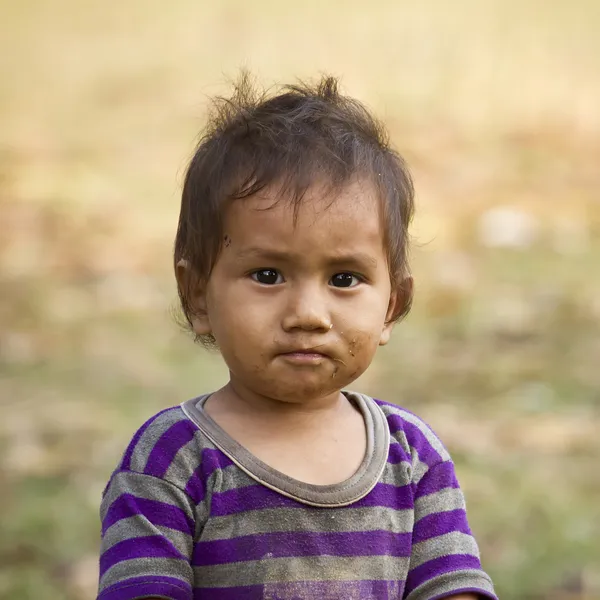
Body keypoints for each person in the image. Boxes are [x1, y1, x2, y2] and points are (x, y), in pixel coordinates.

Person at [97, 74, 497, 600]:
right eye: (267, 275)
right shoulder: (173, 459)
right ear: (197, 296)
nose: (308, 314)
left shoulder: (414, 457)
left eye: (344, 279)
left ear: (392, 306)